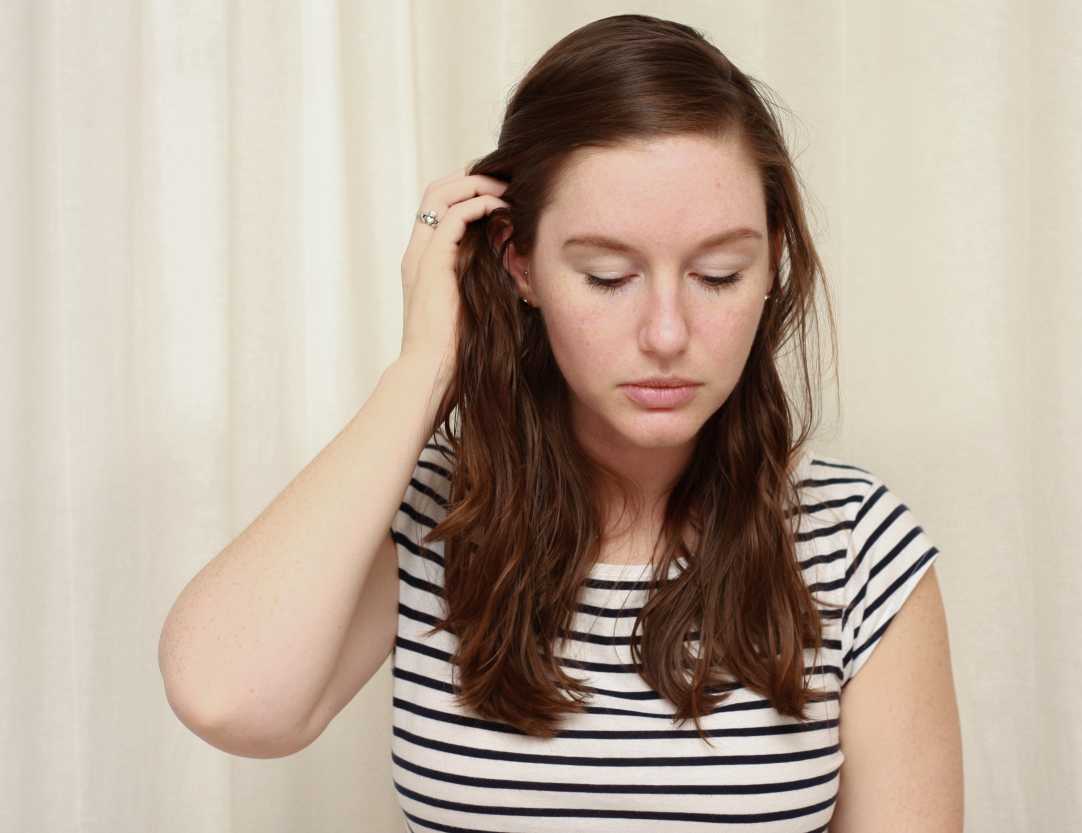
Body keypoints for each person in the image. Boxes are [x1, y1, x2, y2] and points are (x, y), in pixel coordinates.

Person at [159, 13, 963, 832]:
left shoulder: (854, 545)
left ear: (772, 264)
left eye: (718, 274)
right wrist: (425, 368)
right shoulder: (435, 513)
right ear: (521, 264)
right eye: (608, 276)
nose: (666, 333)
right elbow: (227, 698)